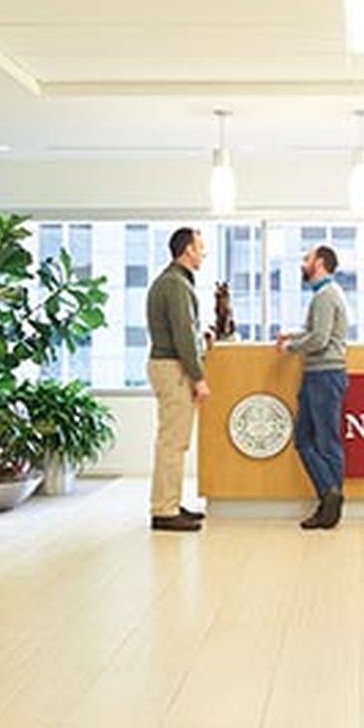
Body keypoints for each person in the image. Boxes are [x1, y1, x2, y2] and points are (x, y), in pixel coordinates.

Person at [276, 244, 349, 530]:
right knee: (304, 439)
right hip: (318, 375)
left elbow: (319, 339)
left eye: (307, 258)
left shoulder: (326, 295)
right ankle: (329, 495)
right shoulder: (324, 294)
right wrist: (292, 336)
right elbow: (316, 332)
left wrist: (290, 347)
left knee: (325, 442)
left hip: (325, 375)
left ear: (319, 262)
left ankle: (330, 500)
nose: (303, 263)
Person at [144, 226, 210, 532]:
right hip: (173, 368)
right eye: (200, 248)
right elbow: (183, 335)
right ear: (187, 250)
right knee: (173, 442)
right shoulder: (176, 284)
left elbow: (185, 331)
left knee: (171, 440)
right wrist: (198, 377)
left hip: (166, 364)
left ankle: (169, 502)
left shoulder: (172, 281)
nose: (203, 253)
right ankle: (164, 510)